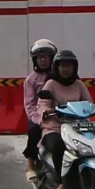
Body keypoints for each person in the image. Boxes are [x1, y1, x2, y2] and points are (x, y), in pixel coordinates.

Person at [33, 49, 92, 179]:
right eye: (63, 66)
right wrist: (46, 111)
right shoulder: (51, 84)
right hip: (55, 128)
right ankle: (61, 181)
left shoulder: (79, 85)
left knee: (91, 144)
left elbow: (88, 103)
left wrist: (93, 109)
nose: (66, 69)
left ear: (75, 67)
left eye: (69, 66)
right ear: (57, 67)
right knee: (59, 145)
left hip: (77, 127)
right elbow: (42, 103)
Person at [19, 38, 58, 176]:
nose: (43, 60)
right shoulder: (31, 80)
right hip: (39, 116)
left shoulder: (60, 76)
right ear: (35, 60)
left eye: (46, 57)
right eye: (40, 57)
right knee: (34, 132)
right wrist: (39, 120)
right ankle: (30, 164)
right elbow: (29, 104)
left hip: (60, 115)